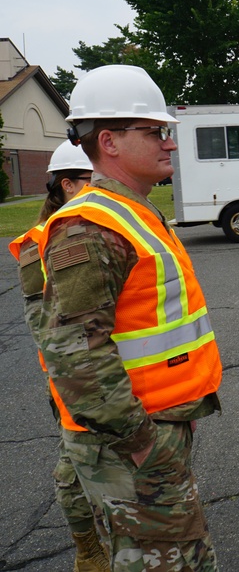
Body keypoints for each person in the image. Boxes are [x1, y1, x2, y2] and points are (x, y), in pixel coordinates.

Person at [38, 65, 223, 571]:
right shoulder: (90, 229)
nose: (170, 144)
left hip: (155, 427)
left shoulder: (135, 211)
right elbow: (75, 356)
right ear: (109, 142)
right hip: (132, 441)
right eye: (155, 132)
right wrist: (140, 442)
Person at [8, 143, 110, 571]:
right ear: (67, 185)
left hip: (124, 375)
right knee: (74, 473)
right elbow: (44, 324)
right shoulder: (40, 244)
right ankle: (89, 549)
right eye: (92, 182)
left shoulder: (109, 227)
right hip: (78, 379)